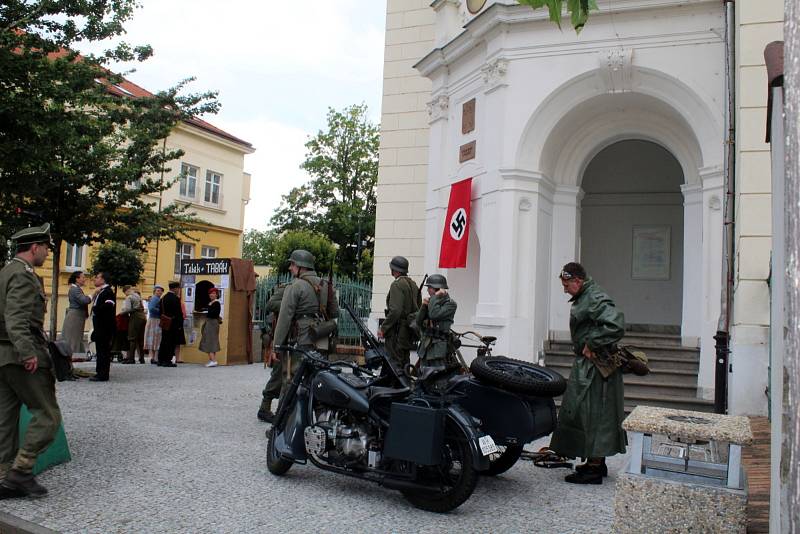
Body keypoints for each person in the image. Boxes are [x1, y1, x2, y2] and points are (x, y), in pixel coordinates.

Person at [548, 262, 626, 485]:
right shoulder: (587, 295)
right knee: (590, 413)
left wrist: (592, 343)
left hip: (595, 368)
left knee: (592, 414)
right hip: (592, 365)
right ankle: (596, 462)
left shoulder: (593, 297)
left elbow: (616, 325)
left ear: (577, 281)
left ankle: (593, 469)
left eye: (566, 285)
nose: (565, 289)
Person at [0, 223, 63, 498]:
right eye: (46, 248)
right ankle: (20, 472)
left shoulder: (5, 271)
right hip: (19, 354)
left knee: (5, 418)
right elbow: (16, 318)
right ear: (34, 247)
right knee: (48, 416)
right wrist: (27, 353)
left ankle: (3, 475)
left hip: (2, 356)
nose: (48, 253)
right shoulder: (24, 275)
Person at [272, 250, 338, 393]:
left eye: (292, 264)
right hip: (322, 338)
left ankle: (286, 414)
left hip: (301, 339)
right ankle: (321, 414)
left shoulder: (295, 286)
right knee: (319, 378)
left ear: (301, 266)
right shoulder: (326, 284)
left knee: (293, 378)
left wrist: (276, 346)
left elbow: (284, 318)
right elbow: (335, 313)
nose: (290, 268)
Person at [377, 256, 420, 373]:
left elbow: (395, 311)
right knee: (405, 361)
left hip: (396, 332)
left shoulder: (397, 284)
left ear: (395, 270)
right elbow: (419, 307)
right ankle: (405, 388)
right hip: (408, 331)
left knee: (394, 364)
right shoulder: (414, 285)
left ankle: (393, 388)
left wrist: (383, 328)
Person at [257, 283, 288, 423]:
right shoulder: (287, 287)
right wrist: (291, 303)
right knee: (278, 375)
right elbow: (271, 304)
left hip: (303, 338)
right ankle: (265, 408)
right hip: (285, 338)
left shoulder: (316, 286)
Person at [415, 274, 457, 369]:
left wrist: (435, 298)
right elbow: (418, 321)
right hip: (426, 347)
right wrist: (423, 306)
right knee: (423, 376)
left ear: (437, 289)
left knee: (438, 376)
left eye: (430, 287)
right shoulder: (431, 302)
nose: (427, 290)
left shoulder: (450, 304)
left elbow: (434, 315)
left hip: (438, 349)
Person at [90, 272, 116, 382]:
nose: (95, 279)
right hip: (100, 326)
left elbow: (108, 306)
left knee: (103, 350)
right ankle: (100, 372)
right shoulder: (101, 291)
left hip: (104, 327)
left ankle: (102, 374)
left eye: (97, 278)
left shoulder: (108, 292)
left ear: (103, 280)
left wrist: (96, 309)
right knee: (100, 349)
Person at [61, 271, 91, 356]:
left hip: (77, 315)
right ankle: (72, 356)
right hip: (75, 316)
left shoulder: (76, 288)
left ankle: (75, 356)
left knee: (76, 337)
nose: (84, 279)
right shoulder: (75, 289)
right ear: (77, 279)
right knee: (73, 338)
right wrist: (92, 295)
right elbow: (84, 300)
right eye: (83, 277)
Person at [156, 282, 182, 368]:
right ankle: (167, 360)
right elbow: (178, 313)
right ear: (174, 289)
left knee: (164, 341)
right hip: (173, 323)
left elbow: (159, 311)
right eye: (178, 288)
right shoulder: (175, 299)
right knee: (171, 342)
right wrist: (179, 324)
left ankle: (160, 360)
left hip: (164, 322)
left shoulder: (163, 298)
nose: (179, 290)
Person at [120, 286, 146, 364]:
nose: (125, 295)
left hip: (135, 317)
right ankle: (142, 358)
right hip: (143, 317)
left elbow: (127, 309)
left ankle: (131, 358)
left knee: (132, 338)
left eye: (125, 293)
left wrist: (122, 313)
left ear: (126, 291)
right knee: (140, 339)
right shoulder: (138, 296)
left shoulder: (129, 297)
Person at [198, 287, 221, 367]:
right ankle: (212, 359)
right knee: (210, 341)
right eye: (210, 293)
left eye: (214, 293)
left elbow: (213, 314)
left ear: (216, 295)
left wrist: (208, 310)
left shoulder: (216, 303)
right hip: (210, 323)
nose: (212, 295)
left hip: (212, 323)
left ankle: (214, 360)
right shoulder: (211, 303)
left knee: (209, 341)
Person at [144, 285, 164, 364]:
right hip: (155, 320)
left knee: (154, 339)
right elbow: (151, 308)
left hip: (154, 320)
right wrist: (161, 311)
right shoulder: (155, 298)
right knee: (156, 338)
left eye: (161, 291)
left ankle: (153, 357)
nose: (160, 292)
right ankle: (154, 357)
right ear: (154, 291)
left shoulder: (156, 298)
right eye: (158, 291)